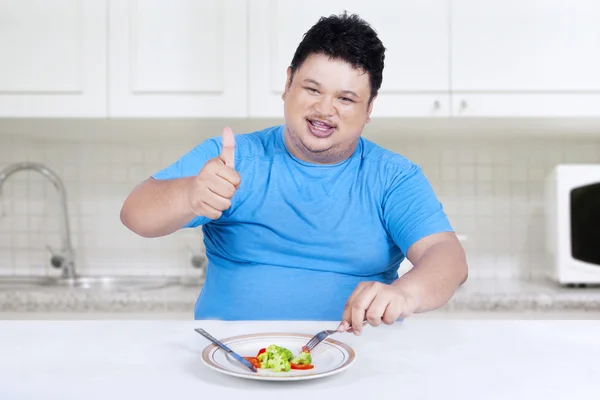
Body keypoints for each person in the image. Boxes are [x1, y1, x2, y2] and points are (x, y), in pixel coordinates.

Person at [120, 12, 468, 335]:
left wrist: (405, 294)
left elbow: (446, 255)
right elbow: (135, 214)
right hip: (231, 359)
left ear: (369, 107)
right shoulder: (232, 158)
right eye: (312, 89)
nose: (324, 109)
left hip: (358, 361)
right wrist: (188, 194)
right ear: (288, 83)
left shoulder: (393, 177)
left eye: (345, 98)